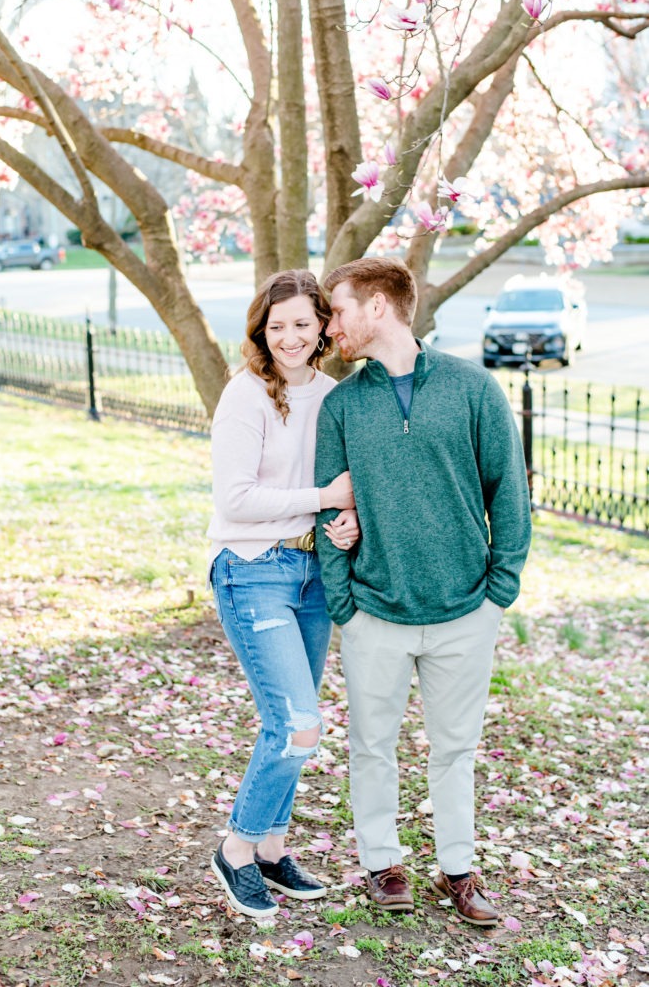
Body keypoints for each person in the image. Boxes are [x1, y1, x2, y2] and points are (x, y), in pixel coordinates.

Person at [315, 257, 532, 926]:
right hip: (374, 611)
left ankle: (459, 871)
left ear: (378, 307)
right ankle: (382, 863)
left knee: (456, 749)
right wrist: (344, 604)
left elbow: (511, 493)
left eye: (340, 309)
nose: (331, 325)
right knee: (371, 745)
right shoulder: (341, 404)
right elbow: (328, 512)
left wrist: (499, 590)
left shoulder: (472, 389)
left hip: (466, 608)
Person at [207, 269, 359, 919]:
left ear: (323, 324)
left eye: (302, 323)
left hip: (314, 575)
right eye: (277, 326)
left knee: (298, 725)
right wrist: (324, 500)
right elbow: (235, 500)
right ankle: (236, 849)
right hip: (252, 569)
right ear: (260, 332)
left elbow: (345, 489)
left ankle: (272, 847)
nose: (290, 337)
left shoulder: (335, 396)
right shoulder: (246, 396)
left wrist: (345, 521)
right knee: (297, 725)